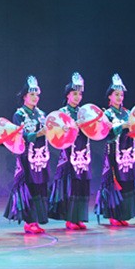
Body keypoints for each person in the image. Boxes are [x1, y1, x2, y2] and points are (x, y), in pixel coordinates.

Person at [4, 75, 50, 234]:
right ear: (24, 96)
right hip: (26, 157)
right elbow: (19, 136)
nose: (35, 97)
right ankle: (29, 222)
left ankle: (37, 220)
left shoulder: (42, 114)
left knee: (40, 187)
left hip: (41, 156)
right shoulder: (19, 115)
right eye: (31, 94)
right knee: (29, 187)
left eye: (37, 94)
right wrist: (37, 134)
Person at [48, 72, 92, 230]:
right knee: (71, 185)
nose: (78, 97)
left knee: (82, 184)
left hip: (83, 152)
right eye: (75, 94)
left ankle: (79, 218)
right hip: (68, 154)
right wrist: (71, 127)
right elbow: (55, 134)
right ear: (68, 95)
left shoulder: (84, 112)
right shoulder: (62, 113)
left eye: (80, 94)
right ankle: (70, 219)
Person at [95, 74, 135, 227]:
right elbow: (106, 133)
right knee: (114, 182)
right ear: (110, 97)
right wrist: (121, 126)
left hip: (128, 152)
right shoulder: (107, 114)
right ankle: (113, 215)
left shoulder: (128, 113)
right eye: (116, 94)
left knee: (127, 181)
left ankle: (123, 214)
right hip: (113, 153)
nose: (120, 97)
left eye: (121, 95)